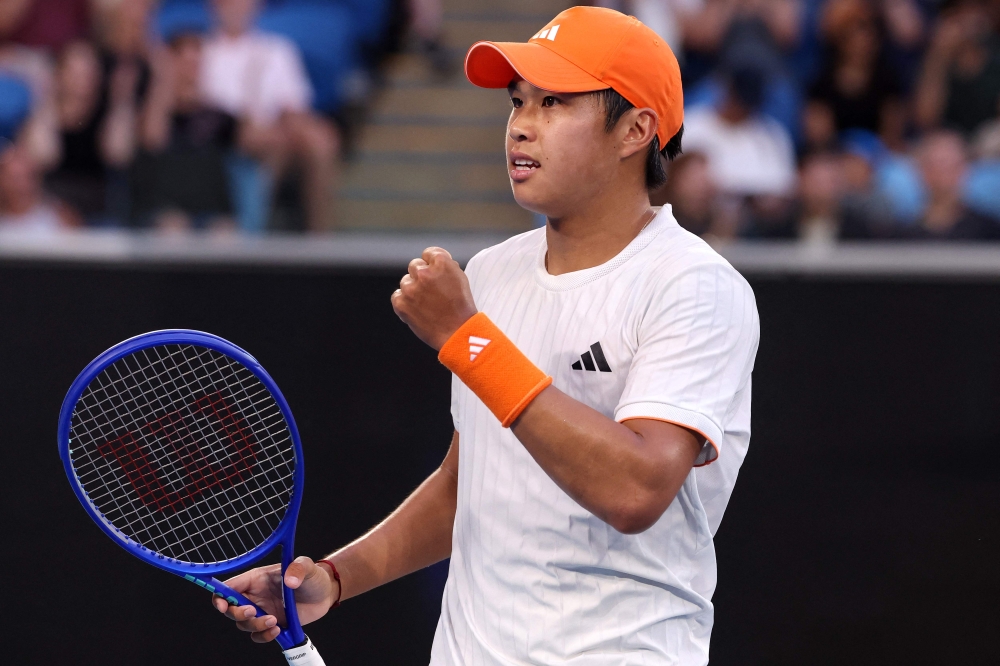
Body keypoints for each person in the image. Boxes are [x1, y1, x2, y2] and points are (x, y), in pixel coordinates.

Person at [212, 8, 760, 665]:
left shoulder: (696, 285)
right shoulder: (493, 274)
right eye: (518, 101)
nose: (522, 124)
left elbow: (636, 490)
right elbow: (469, 482)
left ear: (637, 130)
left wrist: (469, 339)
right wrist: (333, 578)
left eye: (555, 102)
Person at [200, 0, 340, 231]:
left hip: (275, 132)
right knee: (268, 140)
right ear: (215, 6)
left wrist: (289, 125)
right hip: (225, 133)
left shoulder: (277, 49)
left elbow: (294, 106)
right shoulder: (205, 52)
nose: (236, 7)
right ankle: (253, 228)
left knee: (319, 140)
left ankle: (320, 237)